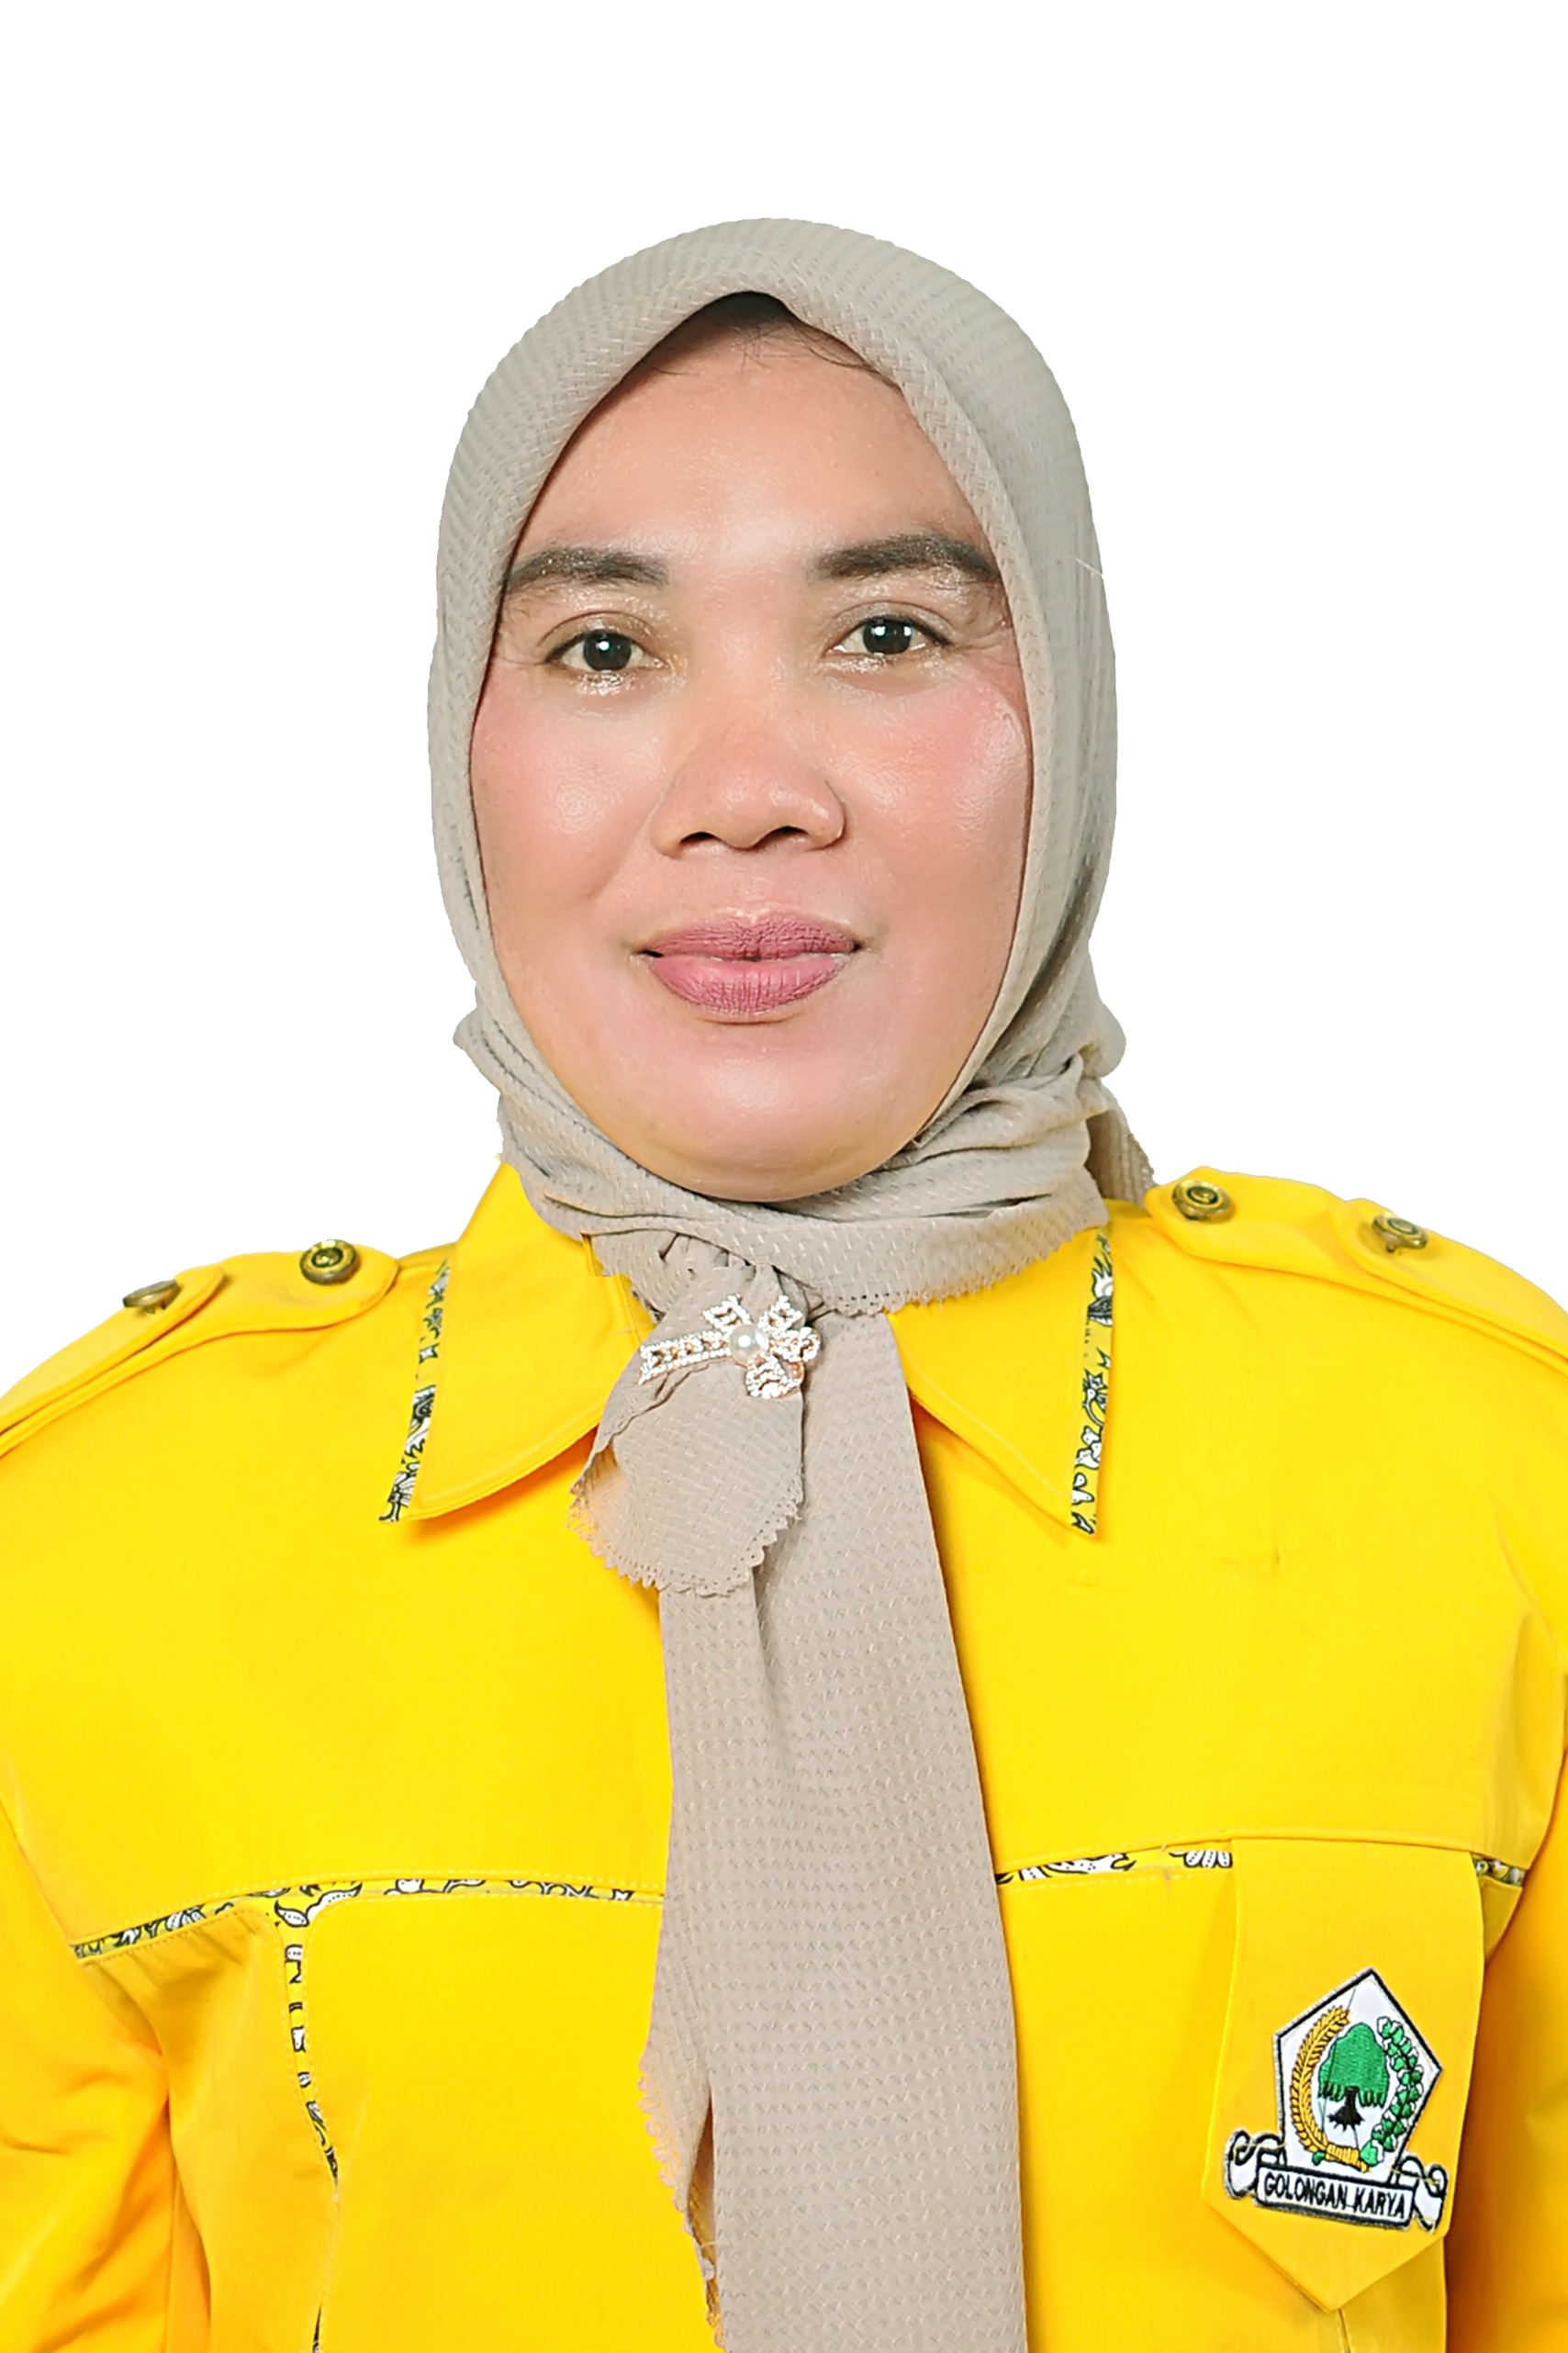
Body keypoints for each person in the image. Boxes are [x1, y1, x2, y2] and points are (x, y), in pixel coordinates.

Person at [0, 221, 1563, 2353]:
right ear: (459, 743)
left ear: (1071, 714)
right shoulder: (97, 1551)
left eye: (888, 632)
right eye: (603, 651)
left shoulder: (1476, 1477)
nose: (746, 799)